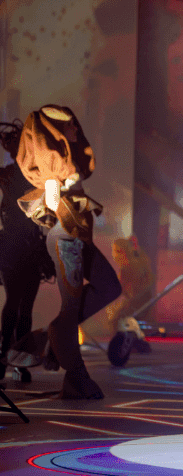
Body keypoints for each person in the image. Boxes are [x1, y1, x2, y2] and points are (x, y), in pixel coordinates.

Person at [12, 105, 121, 399]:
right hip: (66, 240)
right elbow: (54, 206)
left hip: (77, 239)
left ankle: (52, 336)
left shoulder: (66, 167)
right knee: (70, 311)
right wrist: (62, 199)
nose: (75, 129)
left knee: (110, 286)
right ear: (56, 133)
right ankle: (75, 374)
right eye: (69, 126)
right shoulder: (54, 171)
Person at [0, 120, 54, 383]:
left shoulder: (33, 173)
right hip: (14, 243)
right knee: (15, 303)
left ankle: (15, 358)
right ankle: (6, 357)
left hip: (29, 243)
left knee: (23, 306)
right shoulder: (11, 173)